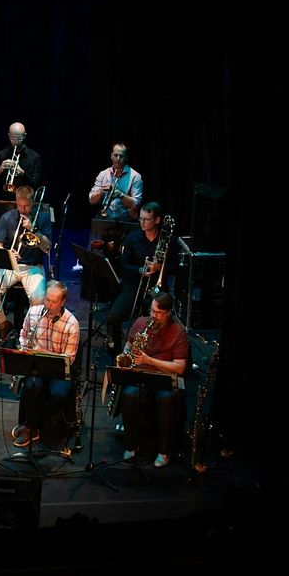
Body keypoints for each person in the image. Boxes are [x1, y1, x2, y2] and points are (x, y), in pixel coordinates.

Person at [118, 293, 188, 468]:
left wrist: (149, 361)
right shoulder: (141, 323)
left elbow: (179, 367)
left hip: (164, 379)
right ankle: (131, 446)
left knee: (166, 399)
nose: (153, 316)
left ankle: (164, 451)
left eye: (158, 313)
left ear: (168, 313)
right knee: (129, 395)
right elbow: (128, 347)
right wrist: (125, 358)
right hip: (141, 375)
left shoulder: (178, 332)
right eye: (152, 311)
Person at [10, 281, 80, 448]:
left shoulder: (72, 323)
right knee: (30, 387)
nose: (48, 304)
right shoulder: (34, 312)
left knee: (58, 394)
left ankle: (40, 425)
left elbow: (69, 359)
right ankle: (30, 427)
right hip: (37, 366)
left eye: (53, 301)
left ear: (62, 302)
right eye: (47, 300)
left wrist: (43, 352)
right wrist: (23, 346)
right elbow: (23, 334)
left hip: (58, 369)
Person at [0, 185, 52, 340]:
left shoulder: (42, 218)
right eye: (20, 206)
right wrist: (7, 254)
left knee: (39, 299)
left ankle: (29, 332)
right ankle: (3, 325)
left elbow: (47, 248)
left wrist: (33, 229)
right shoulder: (7, 217)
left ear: (33, 203)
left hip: (33, 267)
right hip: (10, 265)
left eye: (27, 206)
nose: (23, 210)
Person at [105, 202, 173, 352]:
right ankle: (116, 351)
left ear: (157, 220)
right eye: (140, 219)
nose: (142, 222)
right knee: (113, 317)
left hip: (156, 287)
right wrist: (140, 270)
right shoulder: (133, 238)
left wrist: (160, 267)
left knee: (154, 320)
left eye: (146, 219)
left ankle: (151, 352)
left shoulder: (166, 241)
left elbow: (175, 267)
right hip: (134, 283)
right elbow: (123, 265)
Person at [0, 122, 42, 200]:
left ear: (25, 136)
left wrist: (23, 174)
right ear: (9, 136)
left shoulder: (34, 157)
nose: (16, 142)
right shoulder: (0, 155)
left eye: (20, 138)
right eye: (13, 138)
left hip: (25, 202)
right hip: (3, 200)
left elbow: (36, 186)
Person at [88, 142, 143, 222]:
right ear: (111, 155)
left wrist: (120, 195)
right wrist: (101, 192)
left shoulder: (135, 176)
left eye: (121, 156)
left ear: (126, 158)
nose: (118, 159)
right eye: (115, 155)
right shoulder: (103, 174)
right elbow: (91, 200)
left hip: (124, 220)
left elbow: (136, 204)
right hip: (104, 219)